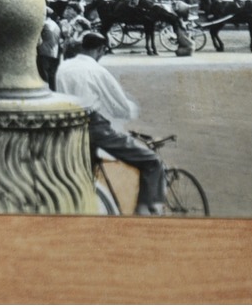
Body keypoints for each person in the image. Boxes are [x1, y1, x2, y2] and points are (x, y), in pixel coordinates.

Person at [55, 31, 166, 215]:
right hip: (94, 127)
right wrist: (128, 111)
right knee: (152, 161)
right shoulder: (97, 71)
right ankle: (147, 210)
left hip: (70, 127)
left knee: (84, 173)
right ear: (100, 50)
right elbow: (119, 106)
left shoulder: (64, 68)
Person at [37, 13, 62, 89]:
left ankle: (46, 90)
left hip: (44, 51)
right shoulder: (54, 24)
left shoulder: (44, 24)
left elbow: (39, 40)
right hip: (54, 52)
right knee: (51, 74)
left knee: (44, 74)